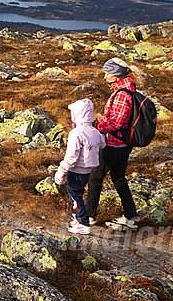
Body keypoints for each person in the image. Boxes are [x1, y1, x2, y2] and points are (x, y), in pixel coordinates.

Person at [85, 57, 140, 229]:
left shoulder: (122, 94)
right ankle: (131, 217)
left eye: (107, 73)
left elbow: (116, 123)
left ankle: (88, 216)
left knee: (95, 177)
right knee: (119, 179)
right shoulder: (126, 90)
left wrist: (97, 125)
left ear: (116, 74)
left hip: (113, 144)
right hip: (123, 144)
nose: (104, 76)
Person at [54, 99, 105, 235]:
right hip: (88, 169)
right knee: (80, 193)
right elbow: (103, 144)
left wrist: (61, 171)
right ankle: (79, 218)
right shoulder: (94, 131)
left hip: (76, 170)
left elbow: (71, 156)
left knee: (75, 195)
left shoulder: (76, 133)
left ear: (77, 114)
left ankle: (83, 222)